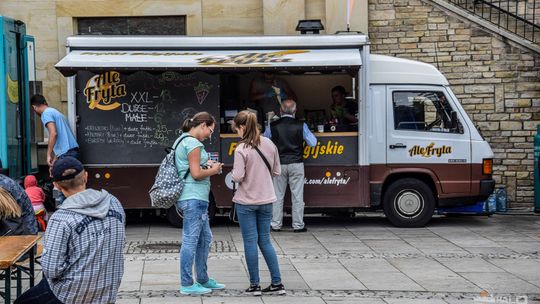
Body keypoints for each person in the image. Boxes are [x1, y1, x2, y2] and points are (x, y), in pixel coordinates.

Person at [14, 157, 125, 304]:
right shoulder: (114, 203)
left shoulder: (61, 218)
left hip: (70, 295)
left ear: (56, 186)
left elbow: (52, 269)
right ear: (85, 176)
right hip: (107, 291)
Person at [231, 110, 286, 296]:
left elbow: (238, 176)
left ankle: (255, 285)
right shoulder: (270, 144)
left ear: (242, 127)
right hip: (267, 199)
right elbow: (277, 171)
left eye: (237, 129)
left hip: (246, 201)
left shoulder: (240, 149)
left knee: (249, 242)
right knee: (265, 241)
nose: (237, 133)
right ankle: (277, 282)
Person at [174, 112, 225, 295]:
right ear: (203, 125)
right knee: (191, 240)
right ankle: (187, 284)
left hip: (192, 197)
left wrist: (206, 164)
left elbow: (189, 168)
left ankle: (203, 279)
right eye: (210, 130)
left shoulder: (182, 140)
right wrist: (214, 169)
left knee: (205, 239)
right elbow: (195, 174)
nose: (210, 135)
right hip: (194, 197)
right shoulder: (194, 143)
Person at [263, 99, 317, 232]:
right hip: (296, 163)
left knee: (277, 195)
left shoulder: (273, 125)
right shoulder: (301, 125)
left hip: (279, 164)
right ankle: (298, 226)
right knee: (298, 196)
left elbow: (263, 141)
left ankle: (275, 225)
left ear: (280, 111)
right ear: (295, 111)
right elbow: (313, 143)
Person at [30, 94, 80, 165]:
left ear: (34, 107)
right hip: (72, 151)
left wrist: (48, 155)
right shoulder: (55, 112)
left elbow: (53, 134)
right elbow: (62, 140)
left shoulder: (46, 114)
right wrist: (55, 161)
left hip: (66, 154)